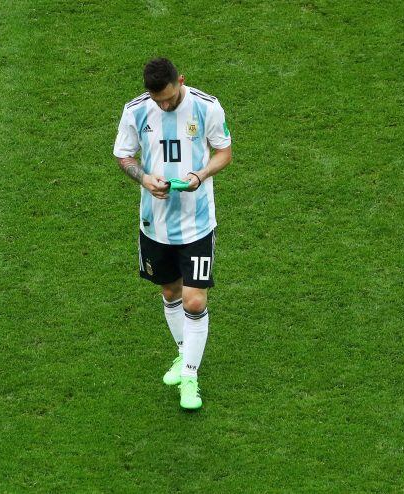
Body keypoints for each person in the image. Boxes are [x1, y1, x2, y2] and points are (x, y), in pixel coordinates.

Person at [113, 58, 233, 410]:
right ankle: (184, 355)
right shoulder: (136, 111)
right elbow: (123, 155)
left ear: (181, 80)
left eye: (169, 98)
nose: (164, 106)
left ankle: (191, 376)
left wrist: (199, 175)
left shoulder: (206, 107)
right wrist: (143, 178)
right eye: (158, 101)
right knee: (170, 291)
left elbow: (224, 153)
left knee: (195, 300)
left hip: (197, 223)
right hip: (154, 223)